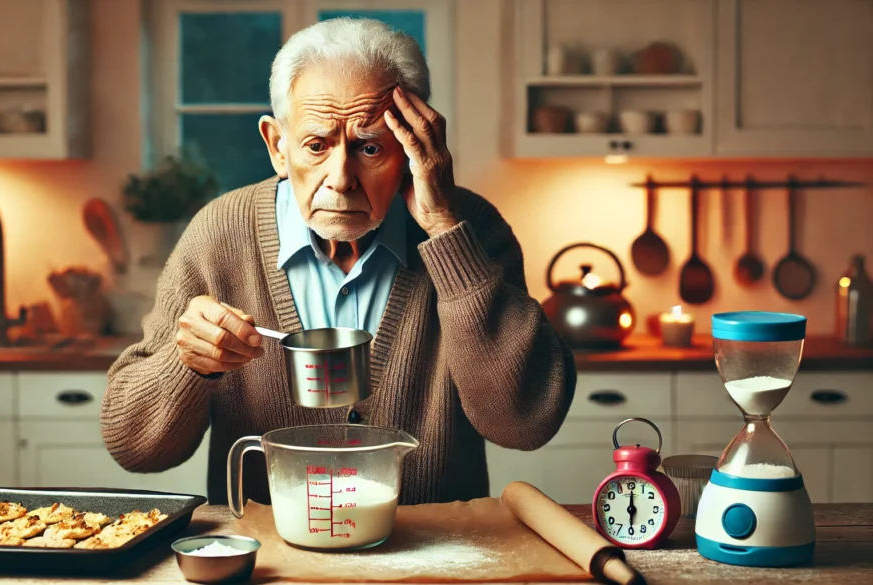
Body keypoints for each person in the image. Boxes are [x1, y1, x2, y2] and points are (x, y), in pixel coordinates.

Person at [102, 17, 577, 505]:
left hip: (435, 560)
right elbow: (135, 449)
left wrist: (445, 229)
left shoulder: (471, 227)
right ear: (276, 146)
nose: (341, 178)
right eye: (316, 145)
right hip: (271, 565)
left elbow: (526, 422)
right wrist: (189, 366)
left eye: (371, 148)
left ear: (416, 147)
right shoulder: (218, 234)